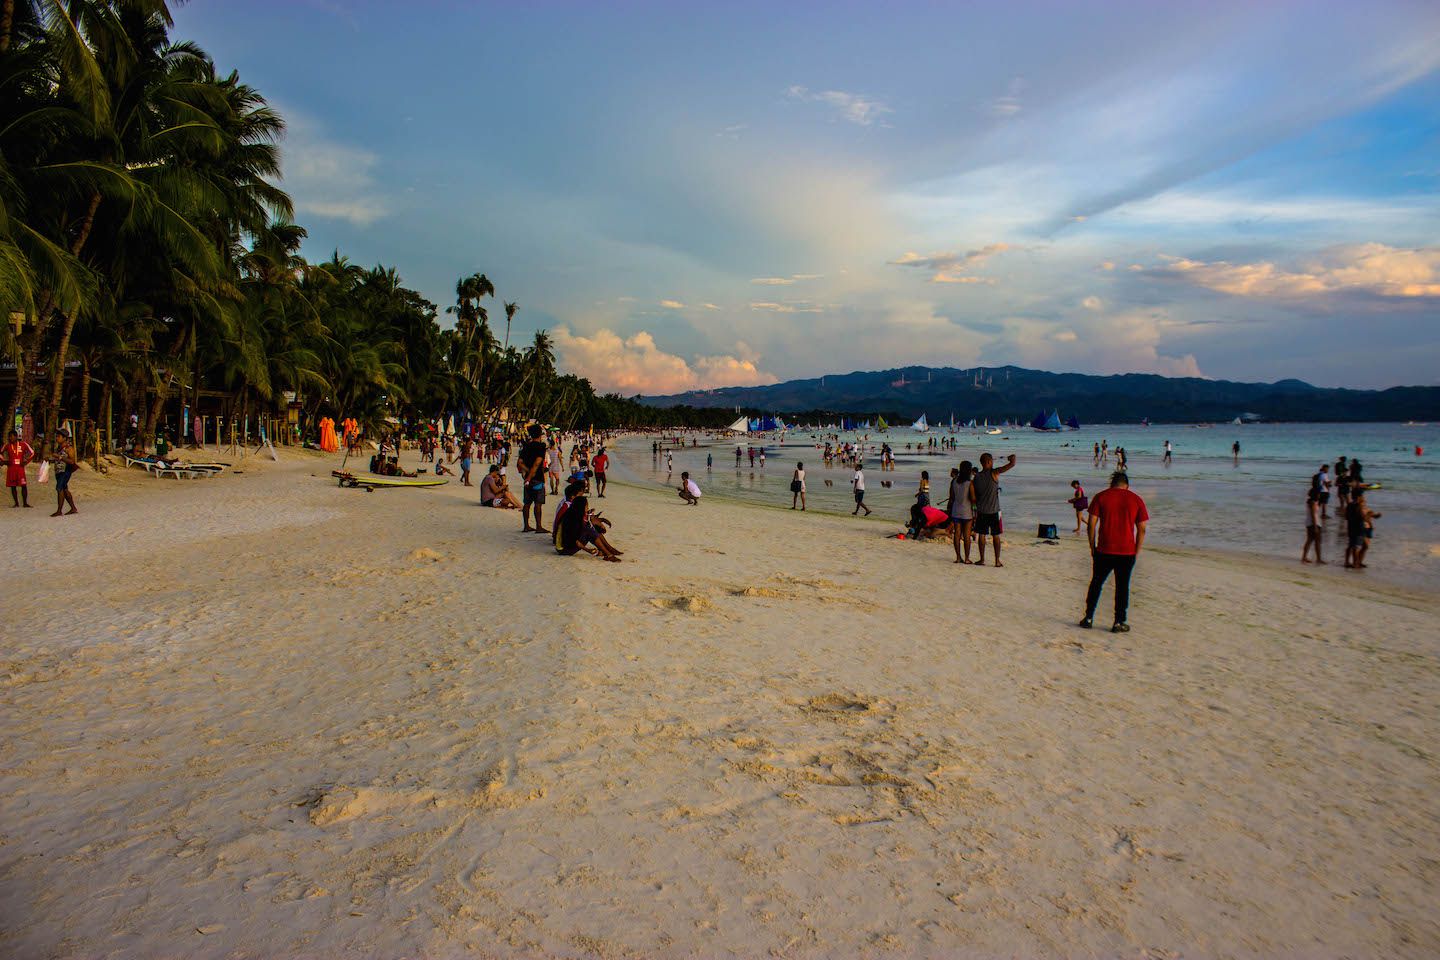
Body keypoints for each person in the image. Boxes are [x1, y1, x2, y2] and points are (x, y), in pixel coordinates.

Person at [1079, 470, 1148, 632]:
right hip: (1127, 552)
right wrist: (1136, 551)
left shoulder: (1101, 497)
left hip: (1104, 549)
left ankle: (1088, 617)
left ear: (1111, 484)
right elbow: (1142, 529)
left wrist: (1092, 546)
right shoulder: (1136, 499)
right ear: (1127, 485)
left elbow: (1091, 525)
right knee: (1122, 586)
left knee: (1096, 583)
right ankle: (1118, 622)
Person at [970, 452, 1016, 567]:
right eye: (992, 461)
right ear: (989, 462)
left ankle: (982, 559)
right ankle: (997, 561)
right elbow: (1011, 465)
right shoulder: (994, 473)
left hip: (981, 511)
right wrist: (1012, 459)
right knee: (996, 535)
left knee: (982, 535)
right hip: (994, 511)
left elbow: (974, 497)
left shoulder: (977, 477)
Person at [517, 424, 549, 533]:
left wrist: (527, 475)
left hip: (527, 479)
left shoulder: (526, 446)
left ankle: (526, 526)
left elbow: (520, 463)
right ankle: (538, 526)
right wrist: (531, 476)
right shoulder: (541, 447)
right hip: (537, 478)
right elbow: (537, 463)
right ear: (540, 434)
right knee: (538, 504)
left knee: (527, 503)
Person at [947, 461, 975, 564]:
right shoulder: (970, 483)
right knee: (967, 536)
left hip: (955, 510)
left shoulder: (954, 481)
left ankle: (958, 557)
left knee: (957, 534)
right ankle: (967, 558)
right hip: (967, 512)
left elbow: (951, 498)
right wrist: (976, 509)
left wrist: (949, 510)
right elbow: (973, 499)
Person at [50, 427, 79, 517]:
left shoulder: (69, 448)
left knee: (59, 488)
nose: (57, 438)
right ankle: (73, 508)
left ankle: (59, 510)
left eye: (59, 436)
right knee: (64, 489)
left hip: (65, 471)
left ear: (64, 438)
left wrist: (59, 457)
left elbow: (72, 461)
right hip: (59, 471)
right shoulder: (59, 448)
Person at [5, 430, 34, 508]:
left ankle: (25, 503)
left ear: (16, 436)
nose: (10, 438)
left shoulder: (23, 444)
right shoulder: (7, 445)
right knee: (13, 486)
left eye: (12, 436)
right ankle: (16, 503)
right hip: (11, 468)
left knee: (23, 485)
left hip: (20, 468)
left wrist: (26, 462)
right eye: (9, 436)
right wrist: (5, 461)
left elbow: (32, 453)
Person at [1302, 491, 1325, 565]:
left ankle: (1304, 557)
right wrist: (1315, 526)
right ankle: (1318, 559)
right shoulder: (1313, 503)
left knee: (1309, 540)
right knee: (1317, 542)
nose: (1319, 495)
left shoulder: (1311, 502)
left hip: (1309, 523)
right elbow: (1313, 515)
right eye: (1318, 494)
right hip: (1314, 524)